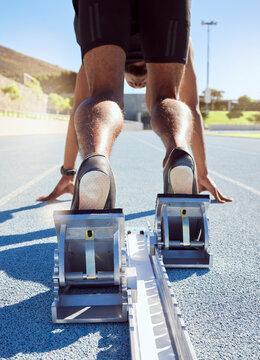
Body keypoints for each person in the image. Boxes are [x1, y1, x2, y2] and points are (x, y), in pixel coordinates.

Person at [37, 0, 232, 206]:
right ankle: (179, 154)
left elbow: (78, 109)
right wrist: (202, 173)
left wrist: (68, 173)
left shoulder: (94, 60)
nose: (138, 85)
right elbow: (191, 108)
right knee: (166, 96)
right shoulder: (187, 45)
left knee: (103, 94)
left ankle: (96, 162)